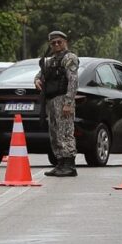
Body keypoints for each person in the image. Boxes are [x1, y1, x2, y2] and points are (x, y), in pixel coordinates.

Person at [35, 30, 79, 177]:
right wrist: (36, 80)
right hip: (51, 101)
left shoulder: (69, 58)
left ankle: (69, 165)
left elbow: (73, 81)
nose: (56, 45)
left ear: (65, 42)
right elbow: (40, 74)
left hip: (63, 99)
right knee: (55, 133)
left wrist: (68, 102)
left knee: (66, 132)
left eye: (59, 42)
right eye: (53, 43)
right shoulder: (50, 60)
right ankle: (60, 163)